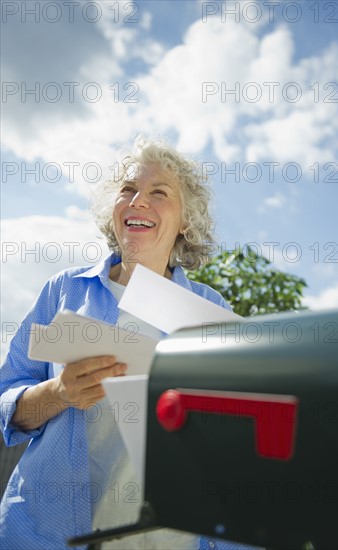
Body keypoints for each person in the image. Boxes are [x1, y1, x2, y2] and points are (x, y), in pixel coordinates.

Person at [0, 138, 259, 550]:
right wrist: (58, 392)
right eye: (128, 190)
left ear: (186, 222)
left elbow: (240, 440)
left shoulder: (210, 310)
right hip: (46, 533)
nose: (139, 201)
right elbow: (5, 401)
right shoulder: (64, 290)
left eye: (159, 193)